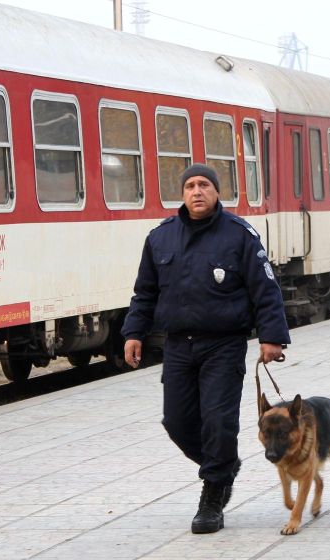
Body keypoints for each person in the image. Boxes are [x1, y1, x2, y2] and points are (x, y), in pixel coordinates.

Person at [121, 163, 290, 534]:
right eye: (190, 186)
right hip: (179, 346)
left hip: (223, 345)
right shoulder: (161, 238)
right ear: (182, 194)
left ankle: (212, 496)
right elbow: (145, 292)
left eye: (204, 185)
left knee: (218, 420)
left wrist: (271, 337)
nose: (197, 191)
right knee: (177, 422)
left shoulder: (239, 235)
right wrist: (134, 332)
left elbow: (265, 289)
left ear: (217, 193)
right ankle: (224, 464)